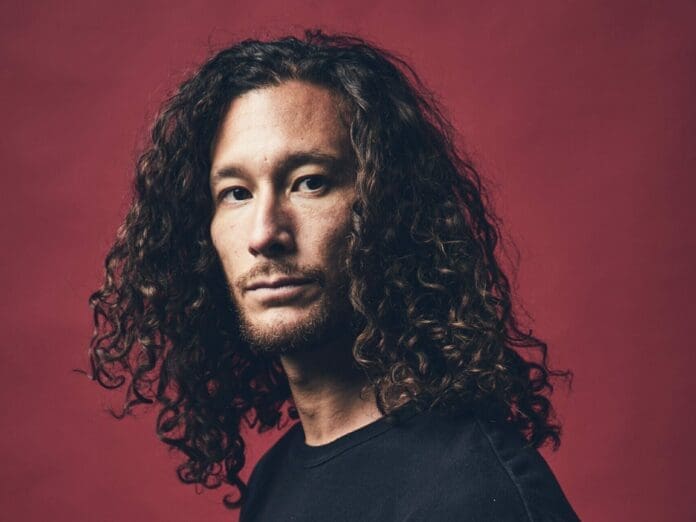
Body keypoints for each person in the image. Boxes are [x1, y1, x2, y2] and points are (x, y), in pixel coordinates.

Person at [87, 31, 579, 521]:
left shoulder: (471, 494)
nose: (264, 234)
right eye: (236, 193)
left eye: (309, 183)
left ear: (388, 210)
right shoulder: (274, 481)